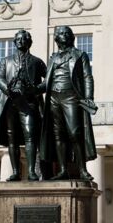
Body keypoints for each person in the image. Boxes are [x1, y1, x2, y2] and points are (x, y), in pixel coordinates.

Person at [39, 25, 97, 181]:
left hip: (70, 96)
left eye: (66, 33)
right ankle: (63, 170)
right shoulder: (53, 58)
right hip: (53, 98)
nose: (63, 35)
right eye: (60, 33)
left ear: (72, 37)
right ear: (56, 38)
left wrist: (89, 97)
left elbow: (87, 77)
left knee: (74, 132)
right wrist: (31, 89)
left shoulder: (80, 55)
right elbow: (46, 83)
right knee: (58, 135)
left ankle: (82, 170)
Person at [0, 30, 47, 181]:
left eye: (24, 39)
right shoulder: (6, 61)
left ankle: (31, 171)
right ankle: (15, 172)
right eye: (18, 39)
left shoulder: (37, 62)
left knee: (30, 135)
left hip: (29, 103)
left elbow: (48, 80)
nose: (20, 41)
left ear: (29, 42)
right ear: (14, 42)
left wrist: (36, 89)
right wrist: (8, 89)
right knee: (12, 137)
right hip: (10, 102)